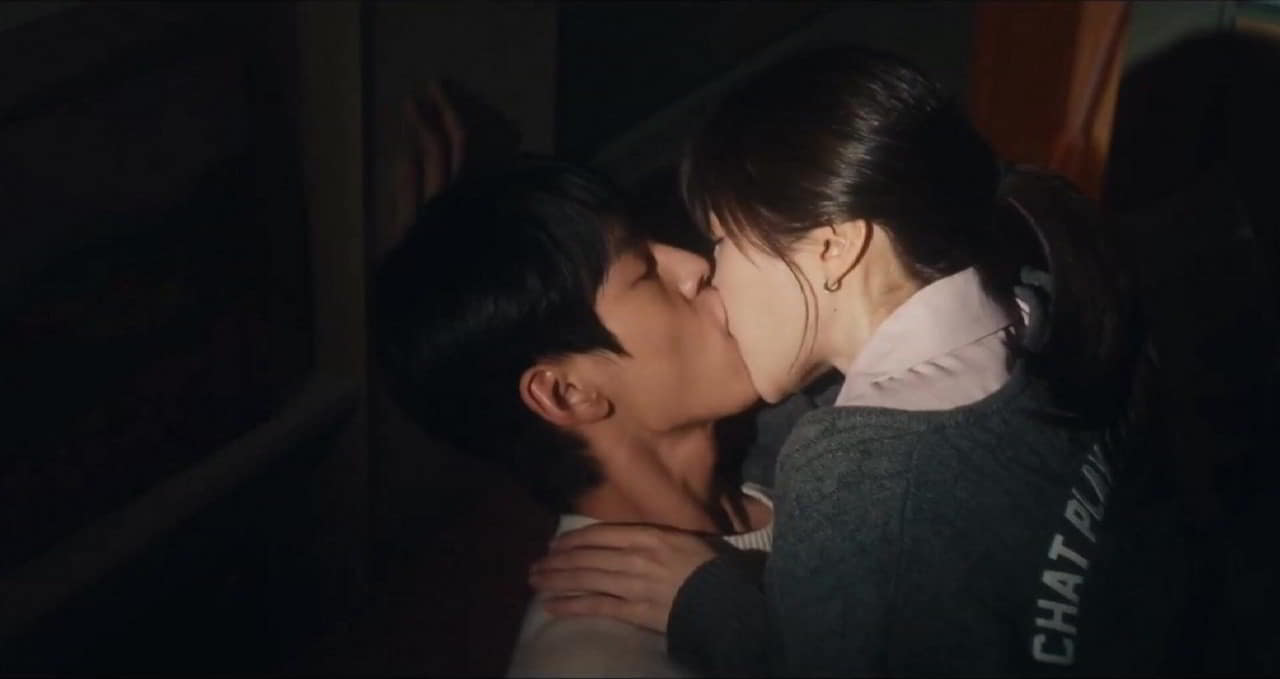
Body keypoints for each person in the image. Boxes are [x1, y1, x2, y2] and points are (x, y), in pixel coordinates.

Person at [529, 45, 1188, 675]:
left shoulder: (853, 470)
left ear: (833, 247)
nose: (708, 271)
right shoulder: (1046, 300)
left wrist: (714, 607)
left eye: (723, 240)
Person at [373, 157, 775, 677]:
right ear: (566, 393)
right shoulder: (595, 661)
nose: (695, 267)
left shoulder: (797, 458)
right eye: (644, 271)